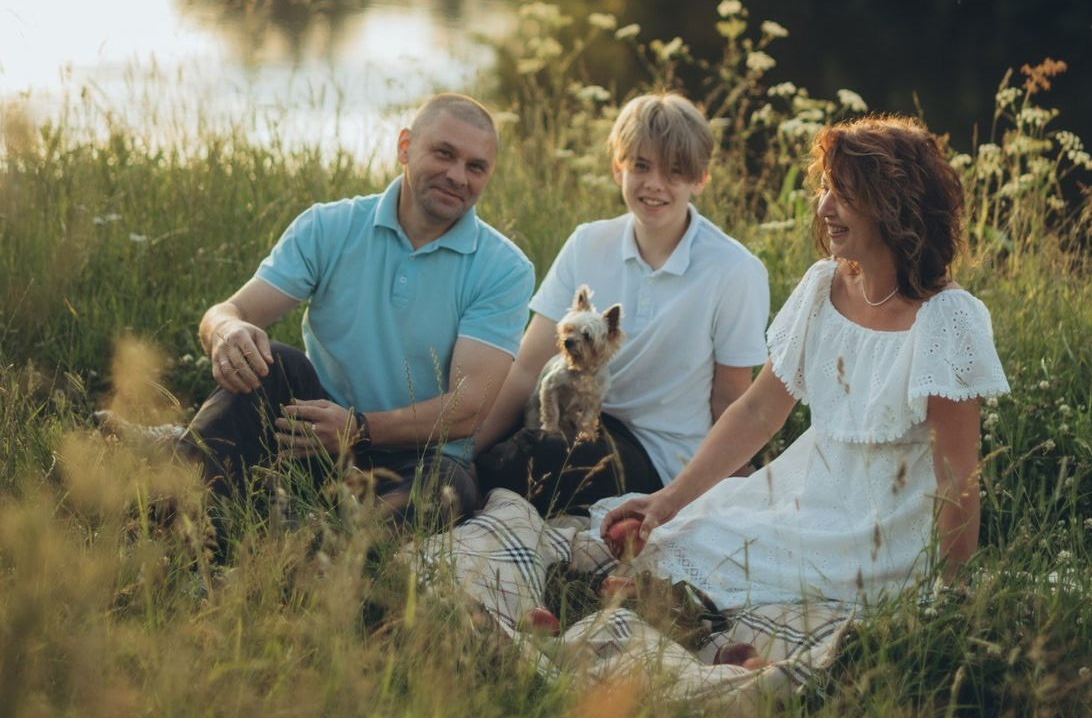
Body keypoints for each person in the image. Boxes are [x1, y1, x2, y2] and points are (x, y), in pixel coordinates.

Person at [599, 114, 1010, 609]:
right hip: (808, 493)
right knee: (679, 538)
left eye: (843, 194)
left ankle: (685, 609)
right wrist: (667, 500)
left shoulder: (948, 317)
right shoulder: (823, 287)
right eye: (825, 189)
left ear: (893, 205)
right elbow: (757, 411)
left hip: (885, 528)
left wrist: (953, 594)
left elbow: (956, 472)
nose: (824, 207)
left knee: (750, 579)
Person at [107, 93, 534, 528]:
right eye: (444, 154)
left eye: (475, 166)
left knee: (449, 489)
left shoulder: (505, 268)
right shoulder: (330, 226)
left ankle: (289, 538)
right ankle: (171, 504)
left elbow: (467, 411)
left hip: (417, 460)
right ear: (405, 146)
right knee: (272, 363)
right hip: (309, 436)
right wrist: (225, 331)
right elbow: (231, 310)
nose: (457, 176)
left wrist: (359, 428)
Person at [473, 92, 771, 515]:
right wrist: (458, 450)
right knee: (511, 444)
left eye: (675, 172)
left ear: (700, 179)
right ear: (618, 168)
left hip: (659, 455)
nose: (654, 184)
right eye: (641, 166)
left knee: (534, 462)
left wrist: (737, 493)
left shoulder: (734, 270)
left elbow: (730, 401)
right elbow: (525, 367)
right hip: (579, 417)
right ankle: (442, 475)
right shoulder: (588, 243)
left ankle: (455, 491)